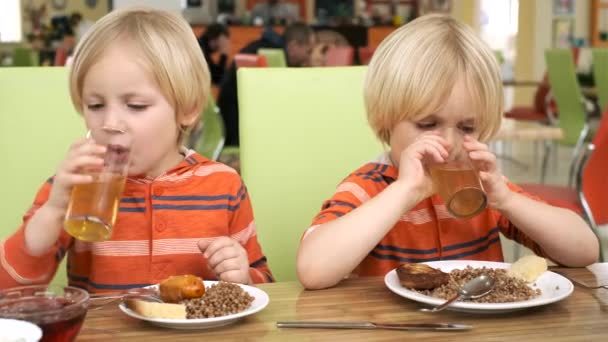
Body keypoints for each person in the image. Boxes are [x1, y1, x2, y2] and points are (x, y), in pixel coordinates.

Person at [296, 14, 599, 290]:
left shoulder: (483, 189)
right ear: (385, 119)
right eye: (428, 124)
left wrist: (506, 200)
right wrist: (403, 192)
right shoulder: (370, 187)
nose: (450, 144)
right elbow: (313, 270)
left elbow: (585, 249)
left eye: (467, 128)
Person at [0, 7, 273, 292]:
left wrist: (242, 277)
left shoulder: (224, 185)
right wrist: (54, 210)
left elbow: (264, 283)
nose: (110, 123)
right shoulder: (75, 188)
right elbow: (8, 291)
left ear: (188, 109)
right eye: (95, 105)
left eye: (135, 106)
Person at [217, 23, 315, 146]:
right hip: (238, 126)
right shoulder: (274, 56)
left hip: (228, 118)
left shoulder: (261, 47)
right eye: (308, 51)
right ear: (294, 46)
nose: (308, 57)